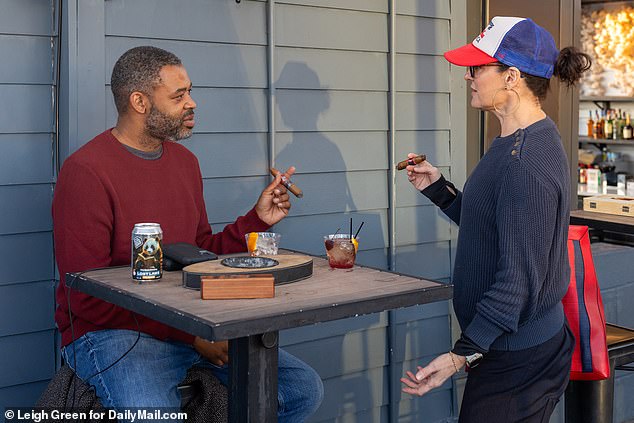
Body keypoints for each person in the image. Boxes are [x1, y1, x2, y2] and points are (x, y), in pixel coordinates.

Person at [52, 46, 323, 421]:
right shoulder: (85, 171)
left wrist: (257, 220)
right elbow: (86, 298)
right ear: (140, 102)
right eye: (179, 96)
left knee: (301, 389)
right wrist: (191, 335)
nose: (192, 103)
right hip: (111, 333)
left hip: (189, 320)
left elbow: (199, 252)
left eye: (189, 91)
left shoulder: (185, 162)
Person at [400, 17, 591, 422]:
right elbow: (496, 226)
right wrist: (440, 190)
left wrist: (461, 354)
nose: (468, 76)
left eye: (478, 67)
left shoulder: (527, 163)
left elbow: (518, 280)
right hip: (507, 352)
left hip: (519, 362)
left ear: (512, 77)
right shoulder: (513, 142)